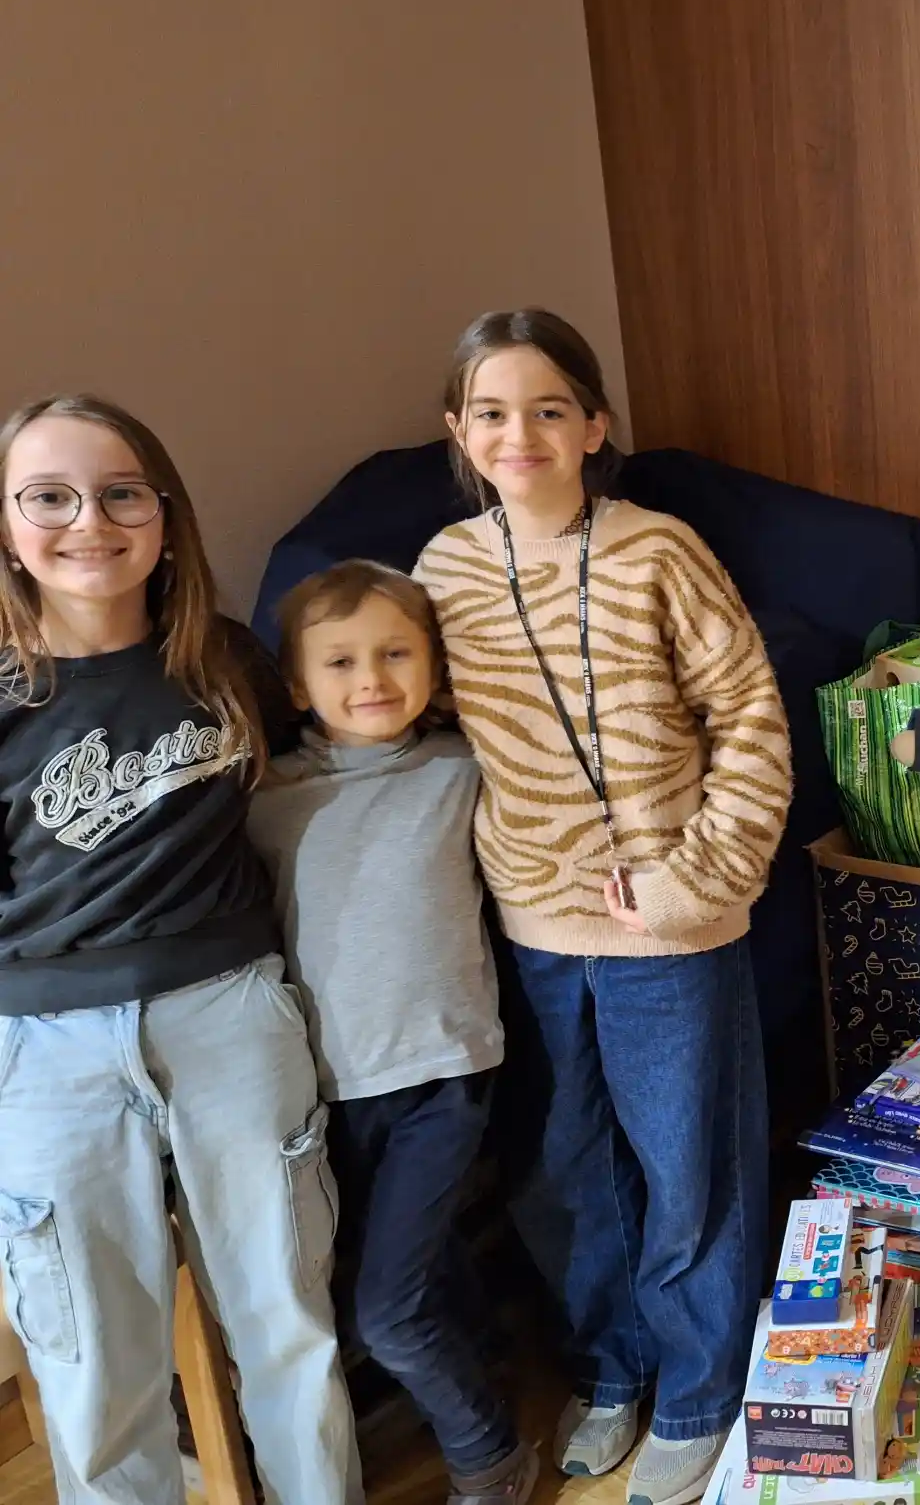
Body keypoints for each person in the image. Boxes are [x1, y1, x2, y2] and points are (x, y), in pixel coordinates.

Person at [415, 309, 793, 1505]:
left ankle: (699, 1392)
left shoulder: (659, 551)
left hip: (671, 930)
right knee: (561, 1175)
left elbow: (750, 721)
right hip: (532, 930)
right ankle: (610, 1370)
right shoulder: (443, 571)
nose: (517, 433)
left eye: (546, 409)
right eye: (490, 412)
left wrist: (694, 879)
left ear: (593, 425)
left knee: (690, 1174)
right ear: (458, 431)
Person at [0, 395, 358, 1505]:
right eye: (48, 498)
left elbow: (325, 767)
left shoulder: (223, 660)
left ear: (165, 514)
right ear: (7, 522)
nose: (88, 522)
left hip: (230, 1015)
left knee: (288, 1330)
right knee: (96, 1372)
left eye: (121, 494)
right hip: (44, 1049)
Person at [247, 561, 534, 1505]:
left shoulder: (461, 770)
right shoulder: (266, 801)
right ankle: (486, 1364)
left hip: (442, 1077)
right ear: (298, 684)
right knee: (402, 1272)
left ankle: (489, 1455)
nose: (370, 679)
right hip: (325, 1093)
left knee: (390, 1311)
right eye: (340, 662)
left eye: (396, 654)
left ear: (435, 667)